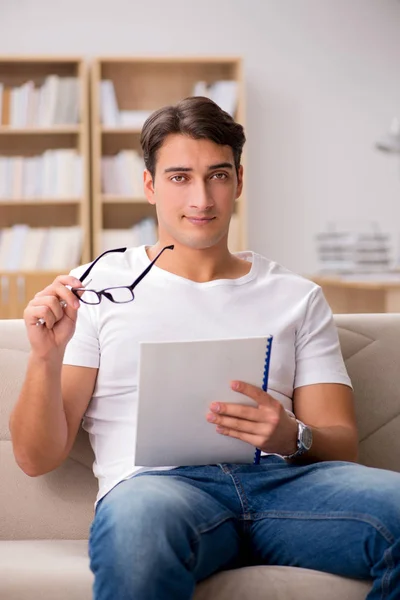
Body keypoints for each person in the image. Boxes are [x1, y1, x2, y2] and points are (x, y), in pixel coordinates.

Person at [10, 96, 400, 600]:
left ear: (239, 180)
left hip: (284, 488)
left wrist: (292, 433)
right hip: (158, 491)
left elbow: (341, 445)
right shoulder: (93, 288)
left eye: (217, 175)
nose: (202, 199)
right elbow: (37, 458)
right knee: (137, 531)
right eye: (179, 178)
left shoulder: (296, 297)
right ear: (149, 185)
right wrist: (45, 356)